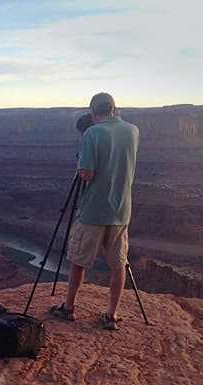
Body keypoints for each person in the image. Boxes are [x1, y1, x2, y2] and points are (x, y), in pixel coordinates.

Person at [50, 92, 139, 330]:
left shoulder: (91, 133)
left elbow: (87, 173)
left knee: (79, 260)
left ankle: (68, 307)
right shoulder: (133, 131)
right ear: (115, 108)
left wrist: (83, 160)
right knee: (118, 263)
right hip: (121, 211)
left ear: (92, 112)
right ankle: (111, 315)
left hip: (93, 211)